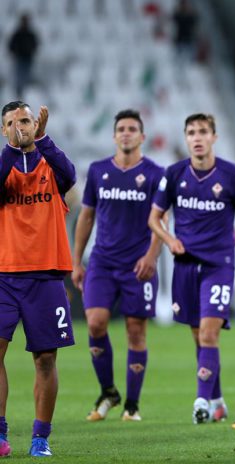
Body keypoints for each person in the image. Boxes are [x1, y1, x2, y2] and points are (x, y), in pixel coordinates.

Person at [148, 113, 235, 424]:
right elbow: (154, 218)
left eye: (203, 132)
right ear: (186, 138)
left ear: (214, 137)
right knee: (199, 337)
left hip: (218, 266)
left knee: (209, 334)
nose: (197, 138)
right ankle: (219, 400)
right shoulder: (173, 174)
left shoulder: (232, 176)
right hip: (185, 266)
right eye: (191, 132)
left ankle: (201, 401)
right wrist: (169, 241)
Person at [71, 110, 165, 422]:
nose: (126, 133)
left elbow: (161, 219)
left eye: (132, 129)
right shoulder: (98, 171)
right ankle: (108, 390)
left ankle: (132, 405)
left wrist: (152, 255)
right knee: (95, 323)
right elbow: (86, 217)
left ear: (142, 136)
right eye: (121, 129)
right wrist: (76, 261)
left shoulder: (154, 174)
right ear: (114, 136)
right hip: (102, 261)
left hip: (138, 264)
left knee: (135, 331)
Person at [0, 101, 76, 457]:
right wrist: (12, 151)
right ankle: (0, 433)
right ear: (4, 131)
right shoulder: (4, 168)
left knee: (46, 359)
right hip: (4, 275)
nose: (20, 127)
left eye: (26, 120)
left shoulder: (51, 164)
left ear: (37, 124)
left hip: (46, 276)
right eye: (12, 123)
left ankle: (40, 437)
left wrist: (43, 140)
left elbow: (70, 174)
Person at [7, 14, 39, 97]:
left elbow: (35, 44)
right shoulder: (17, 34)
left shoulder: (30, 34)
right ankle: (19, 92)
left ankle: (27, 92)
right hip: (19, 58)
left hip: (28, 58)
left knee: (27, 75)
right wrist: (15, 52)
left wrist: (31, 50)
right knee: (19, 76)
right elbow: (11, 46)